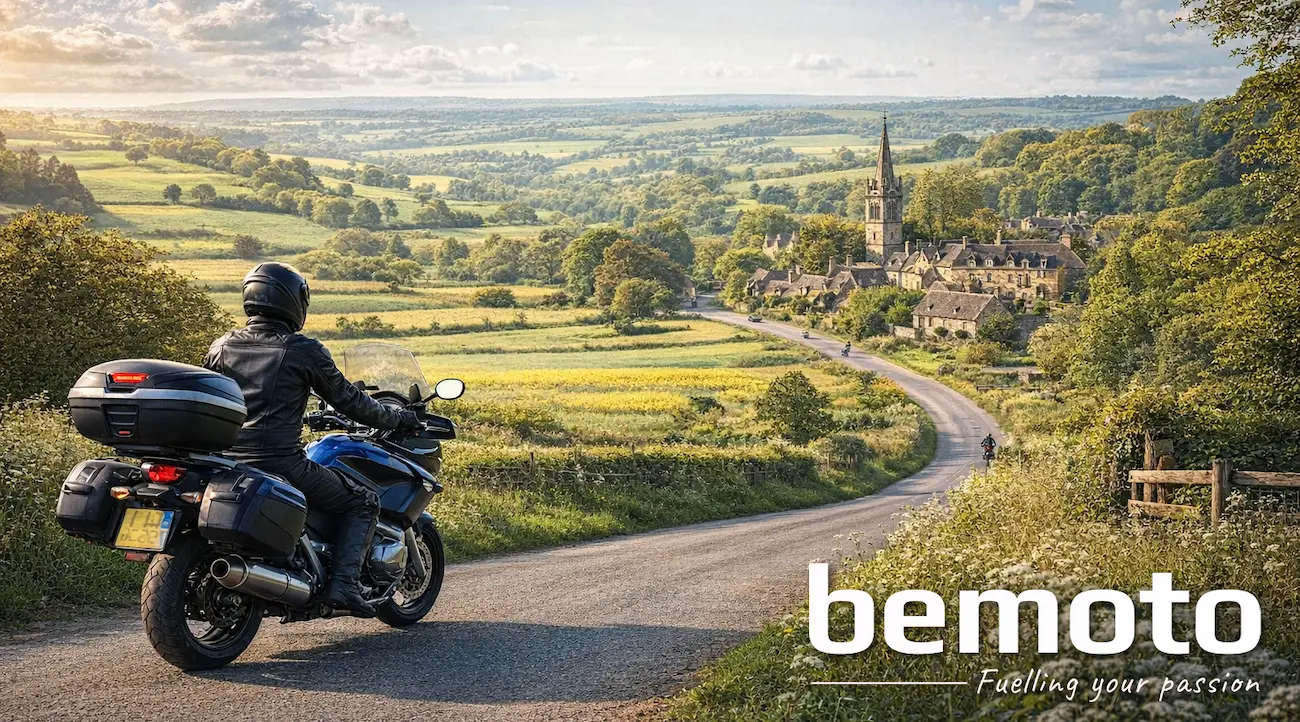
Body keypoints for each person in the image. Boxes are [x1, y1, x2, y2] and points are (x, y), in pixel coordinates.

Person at [204, 262, 422, 617]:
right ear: (293, 301)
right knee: (363, 502)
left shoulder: (222, 345)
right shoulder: (302, 349)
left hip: (223, 461)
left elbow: (224, 398)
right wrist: (397, 418)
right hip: (279, 462)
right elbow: (352, 401)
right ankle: (345, 586)